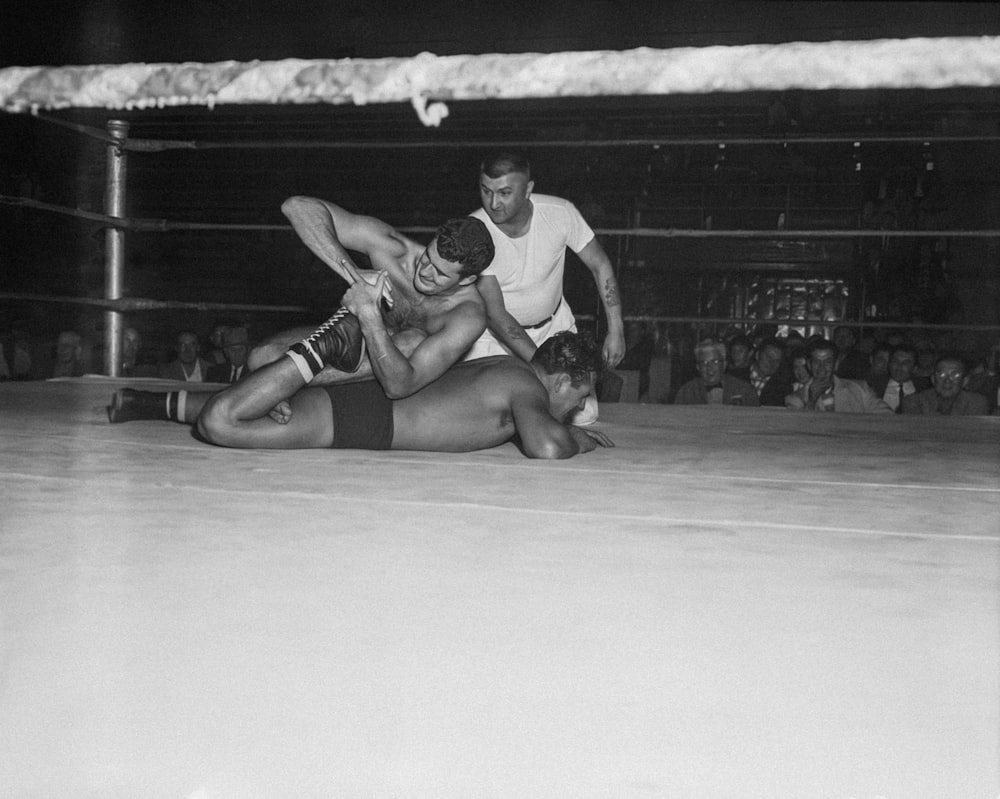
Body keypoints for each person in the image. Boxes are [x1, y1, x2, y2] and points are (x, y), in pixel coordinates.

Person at [110, 331, 613, 459]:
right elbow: (545, 448)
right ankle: (302, 358)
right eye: (580, 396)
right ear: (564, 380)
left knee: (258, 408)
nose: (577, 409)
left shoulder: (508, 365)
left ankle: (144, 402)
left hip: (372, 402)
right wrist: (579, 439)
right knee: (223, 423)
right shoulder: (527, 387)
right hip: (367, 419)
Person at [249, 198, 495, 399]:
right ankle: (286, 385)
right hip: (354, 351)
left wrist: (369, 314)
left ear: (466, 280)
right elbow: (297, 207)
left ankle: (286, 387)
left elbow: (401, 385)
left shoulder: (467, 316)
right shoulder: (396, 251)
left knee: (412, 340)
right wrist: (352, 273)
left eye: (440, 273)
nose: (425, 272)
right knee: (261, 357)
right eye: (428, 257)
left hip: (401, 381)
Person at [462, 150, 626, 422]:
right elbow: (497, 315)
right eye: (485, 191)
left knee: (584, 417)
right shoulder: (474, 229)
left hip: (555, 329)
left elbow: (600, 265)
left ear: (528, 190)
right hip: (493, 338)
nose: (494, 203)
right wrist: (542, 368)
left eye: (504, 193)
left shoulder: (560, 213)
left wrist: (616, 329)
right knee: (489, 419)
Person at [785, 338, 891, 413]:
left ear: (836, 364)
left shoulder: (860, 389)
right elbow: (798, 430)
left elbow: (888, 417)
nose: (821, 368)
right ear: (809, 365)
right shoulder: (795, 398)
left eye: (827, 362)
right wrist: (811, 402)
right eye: (816, 362)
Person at [674, 338, 759, 406]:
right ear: (698, 367)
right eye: (704, 363)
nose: (710, 368)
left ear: (724, 364)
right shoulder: (686, 392)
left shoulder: (745, 391)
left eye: (715, 362)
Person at [901, 354, 991, 416]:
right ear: (933, 379)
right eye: (942, 375)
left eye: (955, 375)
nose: (947, 381)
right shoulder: (913, 402)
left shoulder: (977, 403)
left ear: (965, 381)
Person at [868, 344, 931, 413]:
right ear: (890, 364)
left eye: (906, 363)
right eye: (895, 361)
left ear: (914, 368)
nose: (899, 366)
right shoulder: (873, 386)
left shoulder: (924, 389)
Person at [748, 337, 793, 406]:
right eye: (769, 357)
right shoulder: (737, 376)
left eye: (777, 361)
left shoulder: (783, 387)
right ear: (757, 355)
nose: (771, 363)